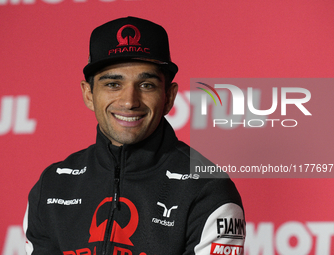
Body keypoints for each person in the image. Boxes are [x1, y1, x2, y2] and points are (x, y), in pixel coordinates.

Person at [23, 16, 245, 255]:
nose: (129, 101)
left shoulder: (207, 188)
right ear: (88, 94)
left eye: (146, 85)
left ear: (169, 97)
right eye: (112, 85)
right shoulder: (53, 186)